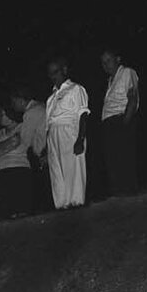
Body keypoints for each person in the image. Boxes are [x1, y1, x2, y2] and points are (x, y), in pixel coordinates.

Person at [44, 57, 90, 209]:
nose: (53, 76)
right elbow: (49, 121)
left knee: (72, 168)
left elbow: (83, 114)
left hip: (69, 130)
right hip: (53, 134)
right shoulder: (51, 97)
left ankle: (76, 202)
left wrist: (80, 139)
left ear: (64, 70)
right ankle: (62, 204)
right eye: (50, 73)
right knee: (57, 171)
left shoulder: (76, 88)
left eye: (56, 72)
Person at [100, 46, 140, 196]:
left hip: (121, 118)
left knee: (125, 157)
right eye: (103, 63)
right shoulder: (110, 80)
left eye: (109, 61)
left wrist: (126, 121)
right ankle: (118, 193)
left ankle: (130, 192)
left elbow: (133, 97)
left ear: (118, 59)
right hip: (109, 123)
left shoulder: (127, 73)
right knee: (113, 160)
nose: (106, 65)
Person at [0, 102, 33, 218]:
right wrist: (6, 145)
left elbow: (15, 142)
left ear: (10, 115)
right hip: (2, 170)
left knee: (21, 209)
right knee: (6, 211)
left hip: (20, 169)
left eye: (2, 114)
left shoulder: (22, 126)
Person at [10, 83, 48, 211]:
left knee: (43, 195)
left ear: (21, 100)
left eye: (13, 102)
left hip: (43, 155)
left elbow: (24, 141)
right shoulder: (41, 105)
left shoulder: (30, 112)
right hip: (49, 150)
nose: (13, 105)